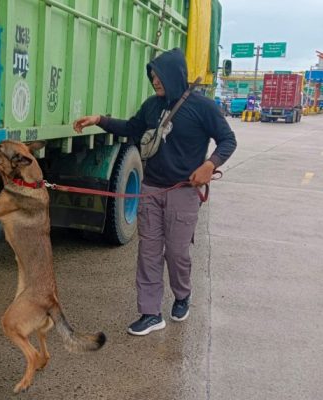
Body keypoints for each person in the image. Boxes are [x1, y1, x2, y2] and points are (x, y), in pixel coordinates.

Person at [73, 48, 236, 336]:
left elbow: (227, 140)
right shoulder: (151, 106)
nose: (154, 81)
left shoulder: (203, 107)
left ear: (174, 74)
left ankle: (182, 295)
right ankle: (150, 313)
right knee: (148, 252)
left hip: (184, 192)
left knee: (177, 253)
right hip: (151, 190)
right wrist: (99, 119)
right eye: (151, 76)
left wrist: (211, 164)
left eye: (158, 75)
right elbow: (131, 128)